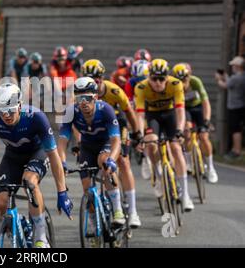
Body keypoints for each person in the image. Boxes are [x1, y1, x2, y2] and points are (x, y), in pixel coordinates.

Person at [0, 83, 73, 248]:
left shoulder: (36, 117)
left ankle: (41, 236)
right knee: (1, 201)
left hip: (37, 152)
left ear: (20, 106)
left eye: (11, 111)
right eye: (2, 112)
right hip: (12, 156)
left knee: (29, 182)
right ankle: (15, 230)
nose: (6, 115)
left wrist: (62, 192)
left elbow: (53, 154)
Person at [81, 60, 142, 227]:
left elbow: (129, 112)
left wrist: (137, 134)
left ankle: (133, 211)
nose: (93, 82)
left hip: (117, 126)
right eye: (89, 78)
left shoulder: (114, 90)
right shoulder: (80, 95)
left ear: (102, 78)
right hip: (97, 130)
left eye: (97, 78)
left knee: (122, 160)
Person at [57, 77, 125, 226]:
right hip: (87, 147)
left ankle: (118, 210)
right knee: (87, 189)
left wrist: (112, 160)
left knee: (104, 162)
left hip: (105, 144)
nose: (83, 102)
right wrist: (61, 162)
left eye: (87, 98)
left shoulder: (105, 109)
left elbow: (116, 141)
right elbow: (62, 143)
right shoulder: (71, 112)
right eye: (79, 98)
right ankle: (95, 228)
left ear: (95, 97)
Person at [135, 59, 195, 211]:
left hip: (170, 115)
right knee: (151, 142)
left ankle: (186, 195)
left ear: (167, 78)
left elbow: (180, 111)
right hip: (152, 116)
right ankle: (156, 173)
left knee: (175, 148)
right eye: (154, 78)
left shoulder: (176, 84)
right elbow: (140, 116)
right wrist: (140, 135)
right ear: (149, 77)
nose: (157, 82)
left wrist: (180, 130)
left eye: (161, 78)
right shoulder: (141, 87)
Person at [172, 63, 218, 183]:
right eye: (179, 79)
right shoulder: (173, 85)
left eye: (185, 78)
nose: (183, 81)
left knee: (204, 136)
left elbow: (205, 102)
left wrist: (207, 120)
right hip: (184, 109)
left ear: (190, 75)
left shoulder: (195, 82)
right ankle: (187, 162)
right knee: (186, 132)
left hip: (197, 108)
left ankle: (210, 167)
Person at [215, 56, 245, 160]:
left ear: (238, 66)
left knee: (235, 129)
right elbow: (230, 82)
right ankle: (236, 149)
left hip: (234, 107)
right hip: (240, 106)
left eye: (233, 65)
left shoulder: (236, 78)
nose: (232, 67)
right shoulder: (241, 76)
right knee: (237, 129)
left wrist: (219, 79)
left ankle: (236, 151)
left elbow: (225, 85)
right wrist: (226, 76)